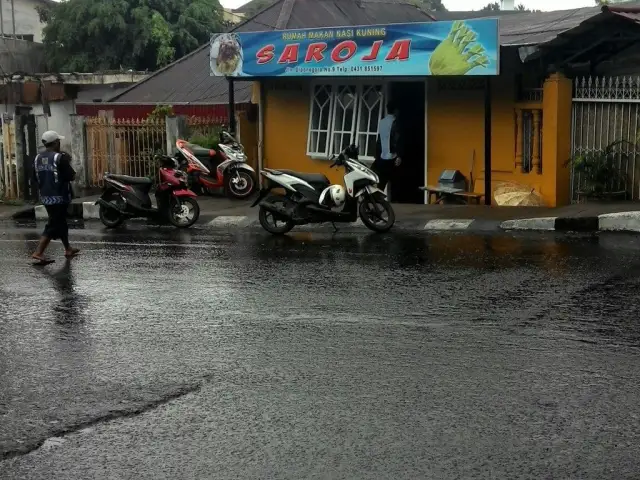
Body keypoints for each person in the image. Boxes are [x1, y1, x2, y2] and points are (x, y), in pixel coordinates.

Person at [31, 131, 80, 265]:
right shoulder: (60, 158)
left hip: (46, 197)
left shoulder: (37, 158)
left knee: (60, 222)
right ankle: (38, 252)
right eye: (59, 141)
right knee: (53, 224)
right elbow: (72, 176)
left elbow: (34, 178)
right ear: (56, 143)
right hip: (60, 197)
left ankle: (68, 248)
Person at [373, 100, 403, 192]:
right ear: (395, 110)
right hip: (392, 157)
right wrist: (399, 155)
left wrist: (377, 156)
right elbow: (397, 140)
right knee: (397, 182)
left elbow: (379, 141)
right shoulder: (396, 123)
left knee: (381, 183)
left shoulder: (382, 122)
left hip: (382, 157)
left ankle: (377, 202)